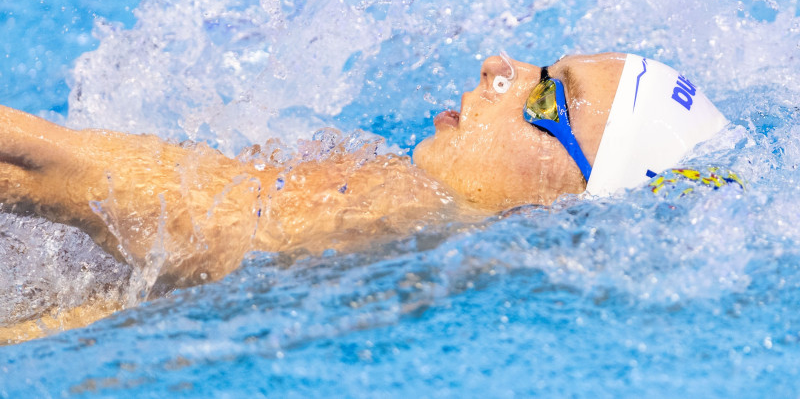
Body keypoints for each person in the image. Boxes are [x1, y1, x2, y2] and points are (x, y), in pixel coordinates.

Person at [0, 52, 732, 342]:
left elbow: (41, 169)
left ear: (570, 198)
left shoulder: (385, 198)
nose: (499, 64)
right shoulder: (442, 281)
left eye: (547, 94)